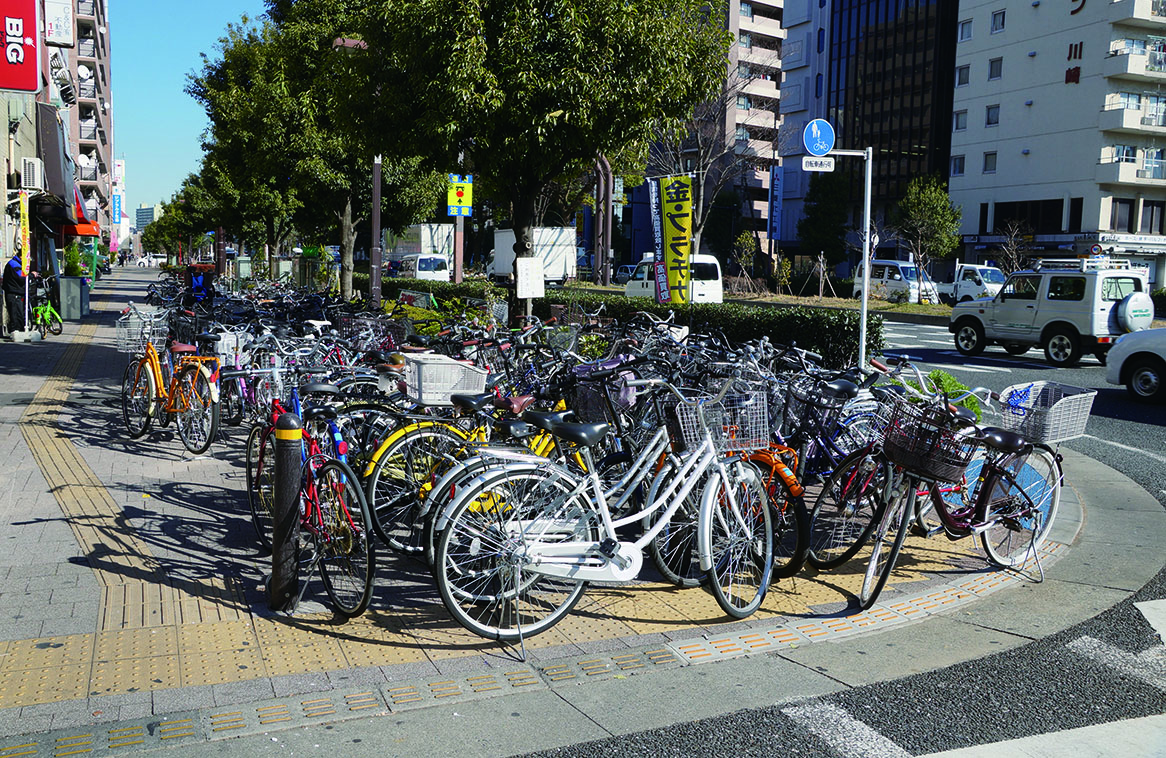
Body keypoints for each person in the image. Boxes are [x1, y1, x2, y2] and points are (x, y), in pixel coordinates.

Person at [3, 246, 37, 335]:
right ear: (22, 256)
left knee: (20, 313)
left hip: (17, 293)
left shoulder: (17, 264)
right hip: (14, 293)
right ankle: (15, 332)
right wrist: (32, 276)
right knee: (16, 313)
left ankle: (20, 331)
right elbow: (22, 278)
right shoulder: (14, 264)